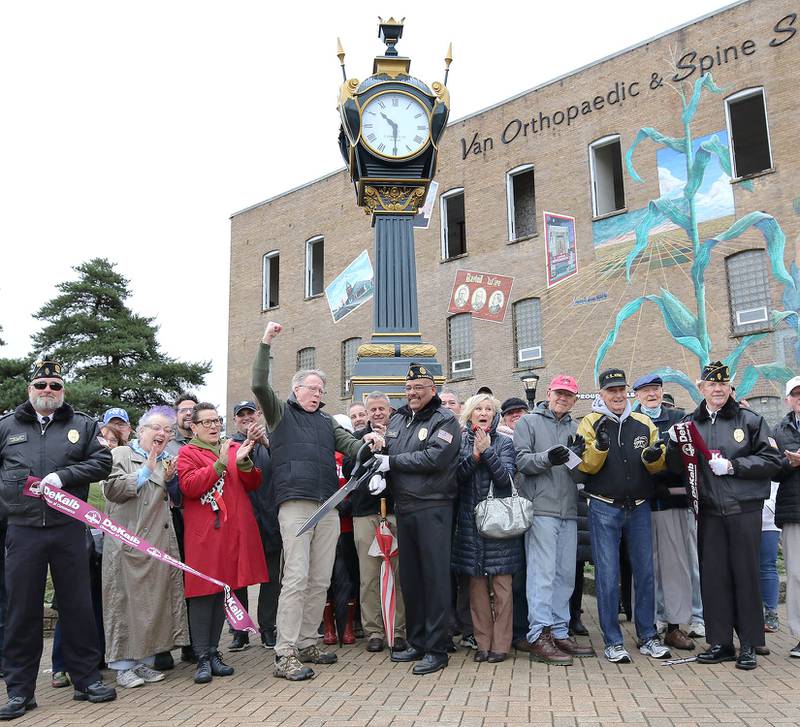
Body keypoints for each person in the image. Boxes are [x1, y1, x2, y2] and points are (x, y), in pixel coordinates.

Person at [251, 322, 384, 681]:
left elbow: (349, 443)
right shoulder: (280, 413)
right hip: (295, 504)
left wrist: (367, 444)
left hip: (328, 505)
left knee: (320, 578)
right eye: (313, 388)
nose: (318, 394)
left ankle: (308, 641)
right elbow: (259, 384)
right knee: (295, 576)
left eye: (321, 390)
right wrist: (266, 342)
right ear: (296, 389)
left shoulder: (326, 421)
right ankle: (285, 652)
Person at [0, 359, 116, 719]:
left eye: (54, 385)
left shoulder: (82, 425)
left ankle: (85, 680)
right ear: (29, 390)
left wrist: (64, 477)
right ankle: (20, 691)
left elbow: (102, 463)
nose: (47, 391)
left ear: (62, 390)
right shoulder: (7, 426)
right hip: (23, 530)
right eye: (41, 386)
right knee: (21, 611)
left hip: (68, 528)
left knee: (77, 605)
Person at [667, 361, 781, 670]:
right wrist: (673, 447)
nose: (718, 389)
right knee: (714, 577)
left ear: (730, 388)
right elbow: (678, 470)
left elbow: (773, 460)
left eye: (723, 384)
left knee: (745, 576)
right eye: (711, 384)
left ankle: (749, 644)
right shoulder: (691, 424)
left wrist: (734, 466)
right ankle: (720, 642)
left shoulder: (750, 419)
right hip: (709, 510)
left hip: (744, 508)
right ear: (701, 388)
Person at [576, 367, 671, 664]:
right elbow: (586, 467)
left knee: (645, 572)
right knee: (607, 574)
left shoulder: (643, 422)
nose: (617, 395)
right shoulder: (589, 423)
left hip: (640, 505)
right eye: (611, 391)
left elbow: (656, 466)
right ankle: (613, 641)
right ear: (601, 394)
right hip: (604, 505)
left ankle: (648, 636)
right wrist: (600, 448)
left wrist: (655, 459)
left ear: (627, 391)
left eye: (621, 390)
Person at [376, 363, 461, 675]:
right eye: (409, 388)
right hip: (406, 507)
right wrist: (379, 456)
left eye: (419, 388)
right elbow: (388, 449)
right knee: (410, 579)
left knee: (435, 579)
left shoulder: (445, 419)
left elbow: (435, 458)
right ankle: (418, 641)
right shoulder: (398, 418)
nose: (412, 393)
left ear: (433, 390)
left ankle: (437, 649)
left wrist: (391, 461)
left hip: (434, 507)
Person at [177, 403, 268, 684]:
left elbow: (252, 483)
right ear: (193, 427)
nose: (214, 426)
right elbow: (190, 486)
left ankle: (213, 652)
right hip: (205, 535)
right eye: (207, 422)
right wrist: (219, 464)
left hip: (230, 532)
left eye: (216, 420)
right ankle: (202, 655)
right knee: (204, 593)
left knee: (222, 592)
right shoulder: (187, 453)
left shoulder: (231, 448)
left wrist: (243, 462)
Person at [102, 406, 190, 688]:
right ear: (141, 431)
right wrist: (145, 471)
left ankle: (145, 662)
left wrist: (170, 479)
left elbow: (175, 500)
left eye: (168, 430)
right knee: (125, 604)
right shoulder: (122, 455)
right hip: (127, 544)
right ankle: (123, 666)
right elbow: (112, 490)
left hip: (158, 545)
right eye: (156, 428)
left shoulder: (169, 462)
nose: (162, 433)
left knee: (154, 604)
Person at [514, 375, 594, 664]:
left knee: (564, 576)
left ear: (574, 398)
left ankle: (560, 631)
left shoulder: (577, 427)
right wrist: (549, 457)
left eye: (569, 395)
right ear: (549, 393)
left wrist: (580, 459)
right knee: (542, 575)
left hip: (569, 510)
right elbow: (521, 461)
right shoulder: (528, 422)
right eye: (559, 393)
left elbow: (582, 474)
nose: (563, 398)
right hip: (542, 509)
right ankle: (538, 634)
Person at [452, 393, 521, 663]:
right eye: (478, 408)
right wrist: (475, 457)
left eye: (489, 409)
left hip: (499, 524)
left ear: (495, 415)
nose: (483, 412)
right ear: (469, 414)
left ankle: (501, 645)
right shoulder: (460, 443)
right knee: (477, 588)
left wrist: (488, 452)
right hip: (470, 525)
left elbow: (505, 479)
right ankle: (483, 643)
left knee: (502, 587)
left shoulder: (505, 442)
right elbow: (456, 478)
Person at [632, 373, 697, 652]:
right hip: (639, 503)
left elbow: (686, 458)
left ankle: (674, 625)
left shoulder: (678, 419)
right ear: (637, 395)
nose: (651, 395)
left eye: (655, 390)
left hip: (670, 501)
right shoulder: (630, 421)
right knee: (645, 568)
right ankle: (647, 624)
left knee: (674, 566)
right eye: (645, 391)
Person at [351, 392, 407, 653]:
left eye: (381, 408)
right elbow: (349, 469)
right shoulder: (356, 438)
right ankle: (373, 631)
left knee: (397, 574)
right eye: (371, 409)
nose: (376, 413)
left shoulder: (400, 433)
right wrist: (367, 450)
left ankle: (398, 630)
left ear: (389, 409)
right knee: (369, 575)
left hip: (395, 511)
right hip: (365, 513)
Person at [228, 401, 281, 651]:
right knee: (238, 578)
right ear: (235, 419)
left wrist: (266, 444)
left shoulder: (273, 441)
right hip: (241, 522)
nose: (246, 418)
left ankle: (267, 627)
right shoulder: (228, 446)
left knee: (271, 578)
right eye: (241, 415)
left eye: (250, 413)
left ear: (259, 415)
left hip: (271, 519)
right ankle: (240, 630)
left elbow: (284, 466)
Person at [773, 375, 800, 658]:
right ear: (788, 399)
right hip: (794, 510)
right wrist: (789, 463)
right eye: (796, 394)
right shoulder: (779, 430)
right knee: (796, 574)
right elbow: (774, 467)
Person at [760, 482, 781, 636]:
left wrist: (771, 505)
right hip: (743, 514)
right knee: (744, 567)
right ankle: (751, 614)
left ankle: (771, 613)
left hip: (769, 520)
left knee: (767, 566)